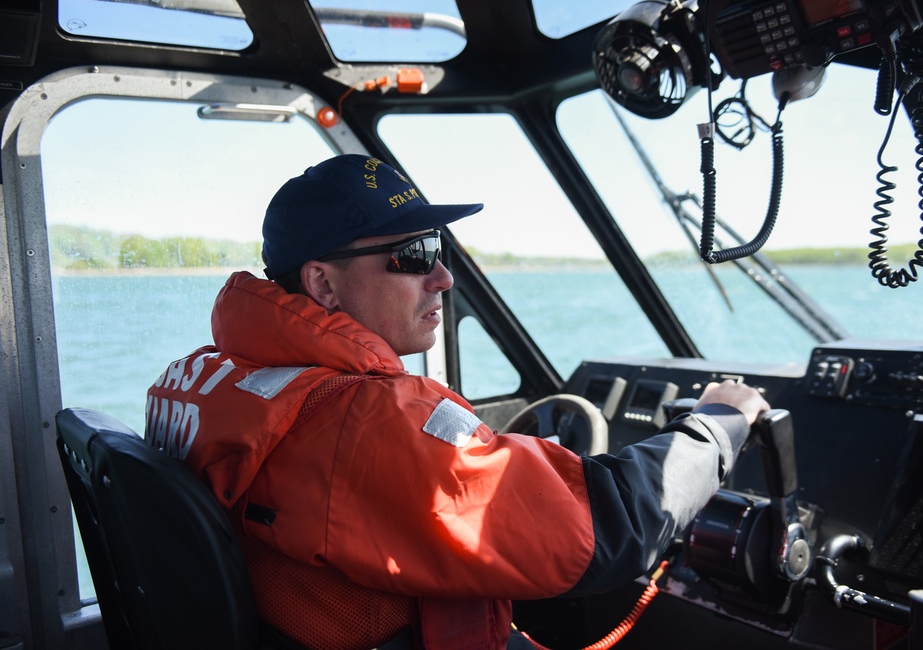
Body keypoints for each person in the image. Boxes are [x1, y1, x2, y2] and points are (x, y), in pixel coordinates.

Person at [145, 154, 770, 650]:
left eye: (437, 249)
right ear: (321, 284)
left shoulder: (209, 379)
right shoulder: (366, 421)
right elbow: (604, 531)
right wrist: (719, 423)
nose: (442, 276)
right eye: (413, 255)